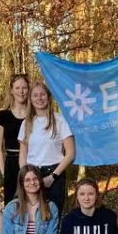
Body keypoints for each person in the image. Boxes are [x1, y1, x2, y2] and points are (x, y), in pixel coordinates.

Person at [18, 82, 75, 216]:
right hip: (32, 174)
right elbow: (23, 153)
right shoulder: (27, 123)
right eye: (35, 95)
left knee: (53, 217)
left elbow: (70, 152)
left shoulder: (60, 120)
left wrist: (53, 176)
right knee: (32, 218)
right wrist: (24, 175)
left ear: (49, 97)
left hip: (54, 175)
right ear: (30, 99)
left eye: (42, 94)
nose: (39, 98)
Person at [0, 74, 31, 204]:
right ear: (11, 90)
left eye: (24, 88)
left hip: (32, 162)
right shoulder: (2, 115)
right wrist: (4, 172)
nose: (21, 91)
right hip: (11, 165)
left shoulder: (34, 114)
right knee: (13, 204)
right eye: (17, 87)